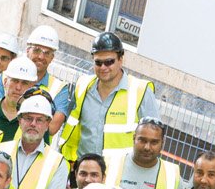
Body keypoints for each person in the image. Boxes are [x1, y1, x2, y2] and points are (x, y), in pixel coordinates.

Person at [55, 31, 159, 161]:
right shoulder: (82, 86)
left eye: (109, 62)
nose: (103, 67)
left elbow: (154, 139)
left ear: (121, 60)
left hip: (119, 177)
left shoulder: (141, 91)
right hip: (84, 173)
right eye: (98, 63)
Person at [0, 94, 69, 189]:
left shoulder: (58, 162)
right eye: (28, 118)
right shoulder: (0, 150)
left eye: (39, 120)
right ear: (19, 121)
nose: (33, 124)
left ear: (47, 124)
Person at [0, 25, 70, 103]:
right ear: (27, 51)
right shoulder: (5, 76)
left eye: (47, 53)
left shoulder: (59, 89)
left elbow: (57, 116)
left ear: (52, 58)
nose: (41, 57)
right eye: (36, 50)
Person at [0, 56, 39, 143]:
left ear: (31, 88)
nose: (18, 87)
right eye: (15, 81)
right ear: (5, 82)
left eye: (24, 83)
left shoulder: (36, 123)